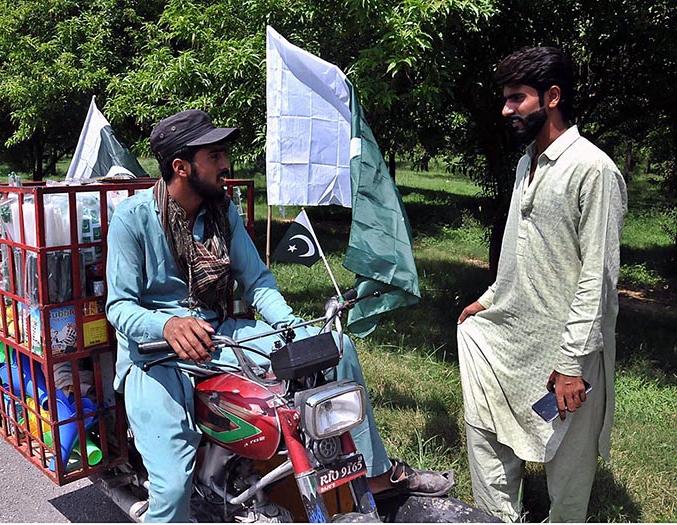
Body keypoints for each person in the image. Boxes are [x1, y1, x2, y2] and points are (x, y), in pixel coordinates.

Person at [106, 109, 454, 522]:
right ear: (181, 167)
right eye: (214, 155)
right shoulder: (133, 219)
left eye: (224, 154)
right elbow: (120, 306)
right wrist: (166, 323)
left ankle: (375, 474)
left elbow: (257, 281)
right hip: (157, 355)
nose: (225, 164)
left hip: (220, 334)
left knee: (336, 346)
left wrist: (291, 329)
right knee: (173, 488)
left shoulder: (223, 211)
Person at [456, 47, 627, 522]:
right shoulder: (524, 164)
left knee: (568, 473)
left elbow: (599, 276)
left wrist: (572, 364)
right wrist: (489, 298)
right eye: (506, 100)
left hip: (568, 351)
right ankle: (495, 517)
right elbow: (517, 251)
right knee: (484, 422)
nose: (506, 110)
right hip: (513, 334)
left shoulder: (594, 170)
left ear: (551, 97)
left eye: (516, 99)